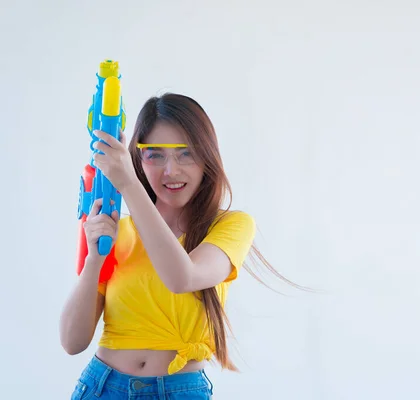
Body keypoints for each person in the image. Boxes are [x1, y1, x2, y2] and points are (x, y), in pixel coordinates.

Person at [60, 93, 295, 399]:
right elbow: (71, 341)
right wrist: (94, 260)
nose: (171, 170)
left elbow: (182, 277)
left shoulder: (230, 226)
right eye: (155, 154)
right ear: (138, 159)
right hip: (102, 386)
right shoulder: (119, 229)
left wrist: (129, 185)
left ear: (207, 157)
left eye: (186, 154)